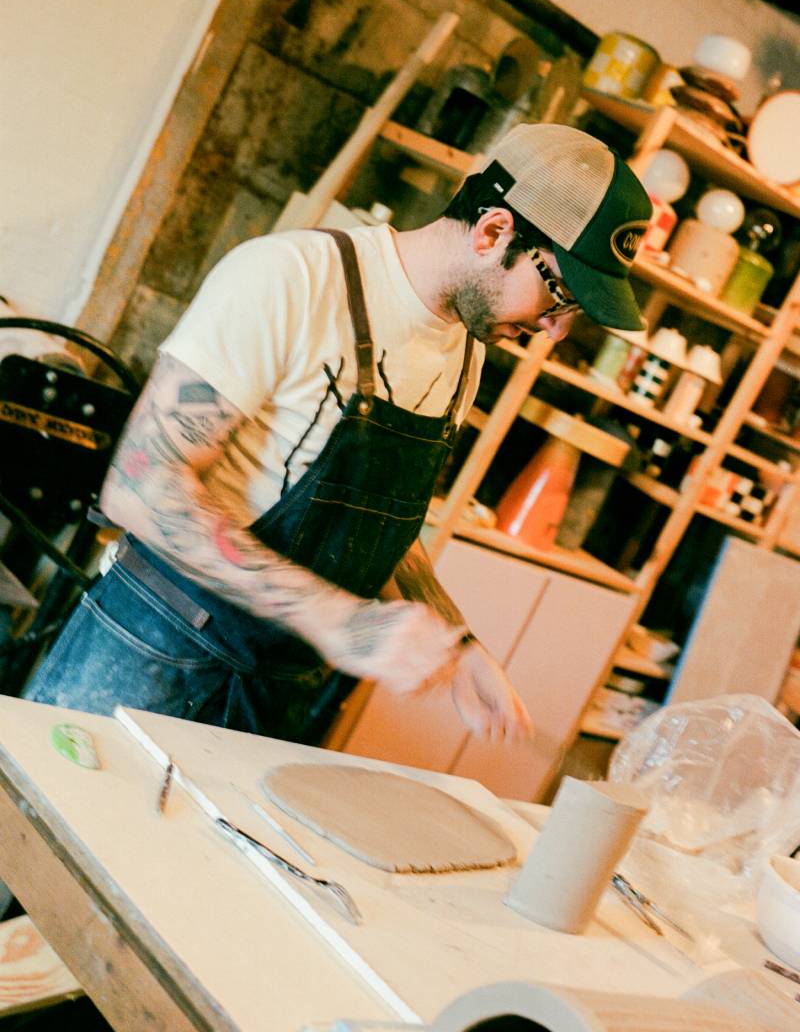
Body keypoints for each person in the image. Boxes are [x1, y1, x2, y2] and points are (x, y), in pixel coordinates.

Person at [23, 122, 650, 745]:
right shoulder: (292, 278)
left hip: (276, 692)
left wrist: (456, 639)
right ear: (493, 232)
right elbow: (140, 485)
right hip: (154, 648)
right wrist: (335, 618)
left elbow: (377, 520)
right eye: (559, 294)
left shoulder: (466, 352)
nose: (556, 331)